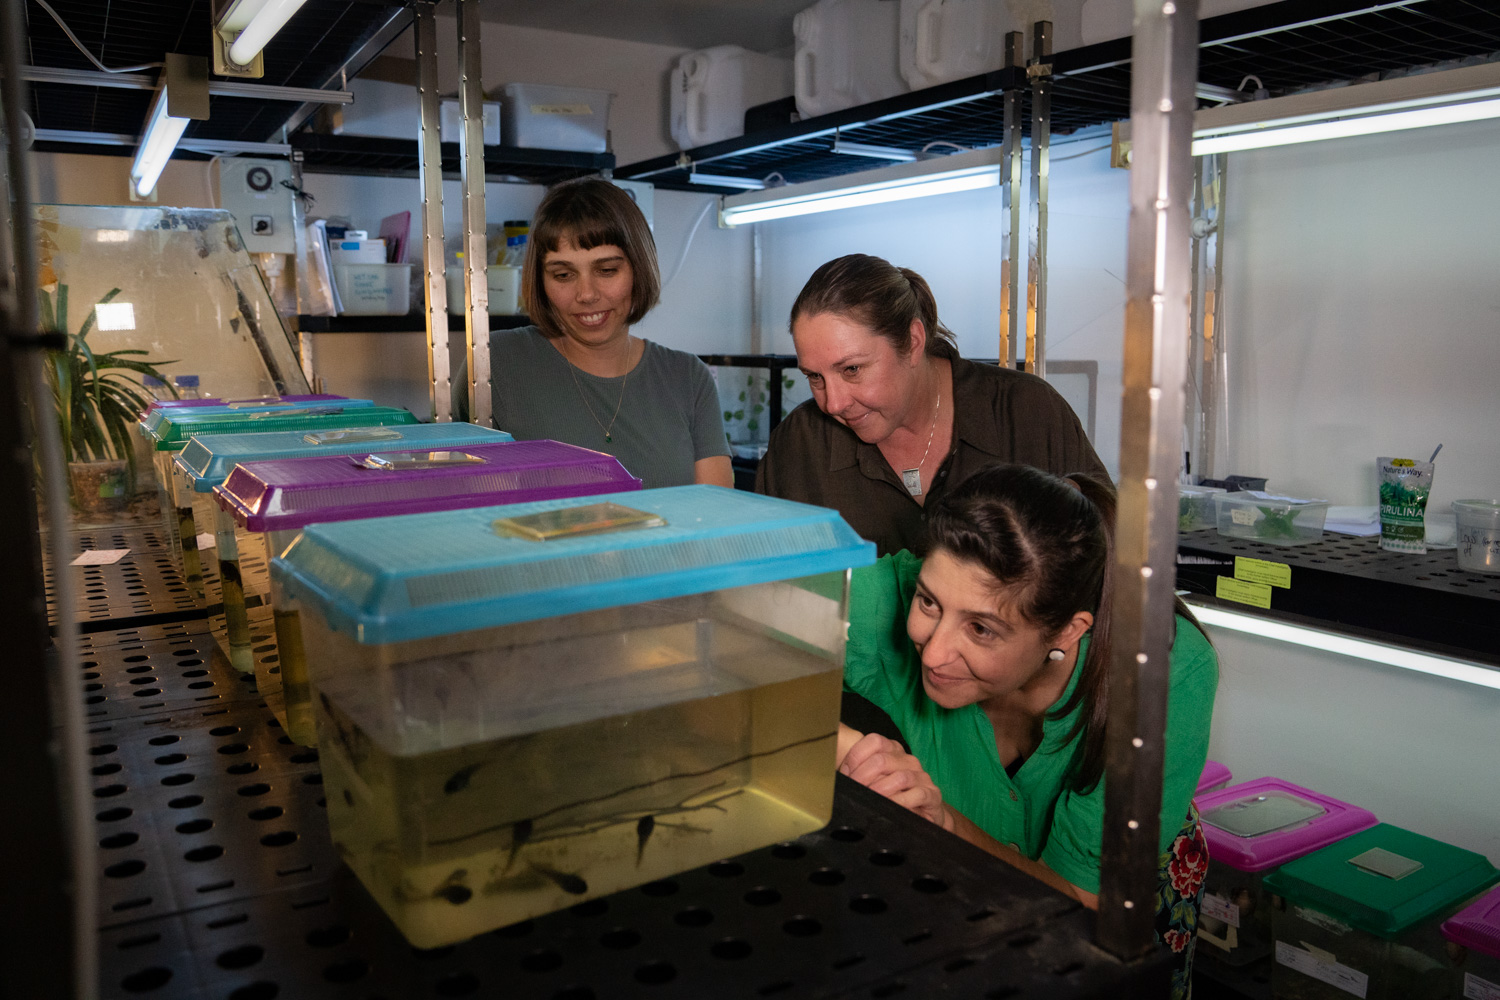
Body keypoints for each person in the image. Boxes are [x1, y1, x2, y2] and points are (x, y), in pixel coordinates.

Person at [835, 464, 1217, 1000]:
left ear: (1067, 631)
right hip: (958, 893)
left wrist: (939, 820)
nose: (935, 650)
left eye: (982, 628)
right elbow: (736, 635)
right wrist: (844, 745)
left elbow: (1081, 903)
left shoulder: (1167, 675)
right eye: (929, 603)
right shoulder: (892, 595)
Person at [757, 253, 1106, 556]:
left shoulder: (1028, 413)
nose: (832, 403)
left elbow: (1106, 552)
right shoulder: (799, 443)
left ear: (913, 341)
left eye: (851, 370)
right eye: (814, 377)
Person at [478, 178, 732, 489]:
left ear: (638, 268)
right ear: (540, 280)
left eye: (607, 270)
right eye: (563, 275)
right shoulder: (495, 363)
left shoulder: (688, 378)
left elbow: (714, 516)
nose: (586, 294)